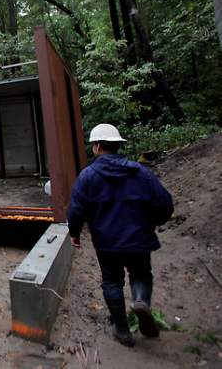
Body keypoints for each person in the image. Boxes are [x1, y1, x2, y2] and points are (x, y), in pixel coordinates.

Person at [68, 124, 174, 347]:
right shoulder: (140, 172)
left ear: (97, 146)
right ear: (118, 146)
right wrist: (153, 223)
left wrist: (74, 233)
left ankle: (123, 330)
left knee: (112, 281)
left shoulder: (87, 176)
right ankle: (140, 301)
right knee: (141, 273)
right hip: (139, 238)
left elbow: (76, 208)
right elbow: (165, 203)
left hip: (107, 242)